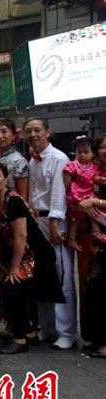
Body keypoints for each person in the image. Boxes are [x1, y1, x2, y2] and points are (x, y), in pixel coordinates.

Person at [0, 160, 63, 355]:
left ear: (5, 178)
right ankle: (29, 332)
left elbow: (21, 236)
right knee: (3, 289)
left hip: (36, 254)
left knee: (12, 290)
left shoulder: (14, 201)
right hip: (17, 255)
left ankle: (20, 339)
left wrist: (15, 268)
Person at [24, 117, 75, 350]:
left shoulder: (59, 158)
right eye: (28, 131)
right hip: (37, 222)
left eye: (37, 130)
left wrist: (55, 223)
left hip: (54, 221)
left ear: (48, 132)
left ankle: (67, 332)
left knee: (62, 277)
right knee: (42, 274)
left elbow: (58, 193)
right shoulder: (32, 160)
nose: (33, 135)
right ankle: (47, 328)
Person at [80, 135, 106, 358]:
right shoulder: (96, 174)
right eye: (103, 147)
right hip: (98, 239)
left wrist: (96, 203)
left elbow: (93, 202)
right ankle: (97, 337)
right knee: (95, 289)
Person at [64, 136, 98, 251]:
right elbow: (66, 180)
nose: (82, 155)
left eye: (86, 152)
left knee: (93, 212)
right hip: (77, 194)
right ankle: (72, 239)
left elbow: (96, 178)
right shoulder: (73, 165)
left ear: (93, 154)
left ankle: (95, 231)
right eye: (79, 152)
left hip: (89, 195)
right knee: (75, 219)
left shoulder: (95, 166)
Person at [0, 119, 29, 201]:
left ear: (14, 136)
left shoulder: (19, 161)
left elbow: (23, 195)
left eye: (4, 132)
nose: (0, 136)